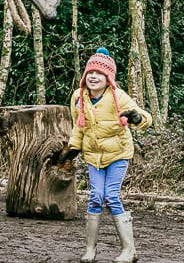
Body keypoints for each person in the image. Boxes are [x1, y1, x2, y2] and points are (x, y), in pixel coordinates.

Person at [57, 48, 152, 263]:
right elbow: (78, 126)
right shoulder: (78, 97)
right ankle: (90, 250)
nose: (93, 76)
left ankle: (129, 251)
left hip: (118, 153)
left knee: (111, 195)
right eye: (90, 72)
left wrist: (136, 118)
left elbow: (146, 118)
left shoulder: (118, 96)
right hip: (93, 155)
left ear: (108, 78)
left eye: (99, 73)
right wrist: (72, 149)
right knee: (95, 196)